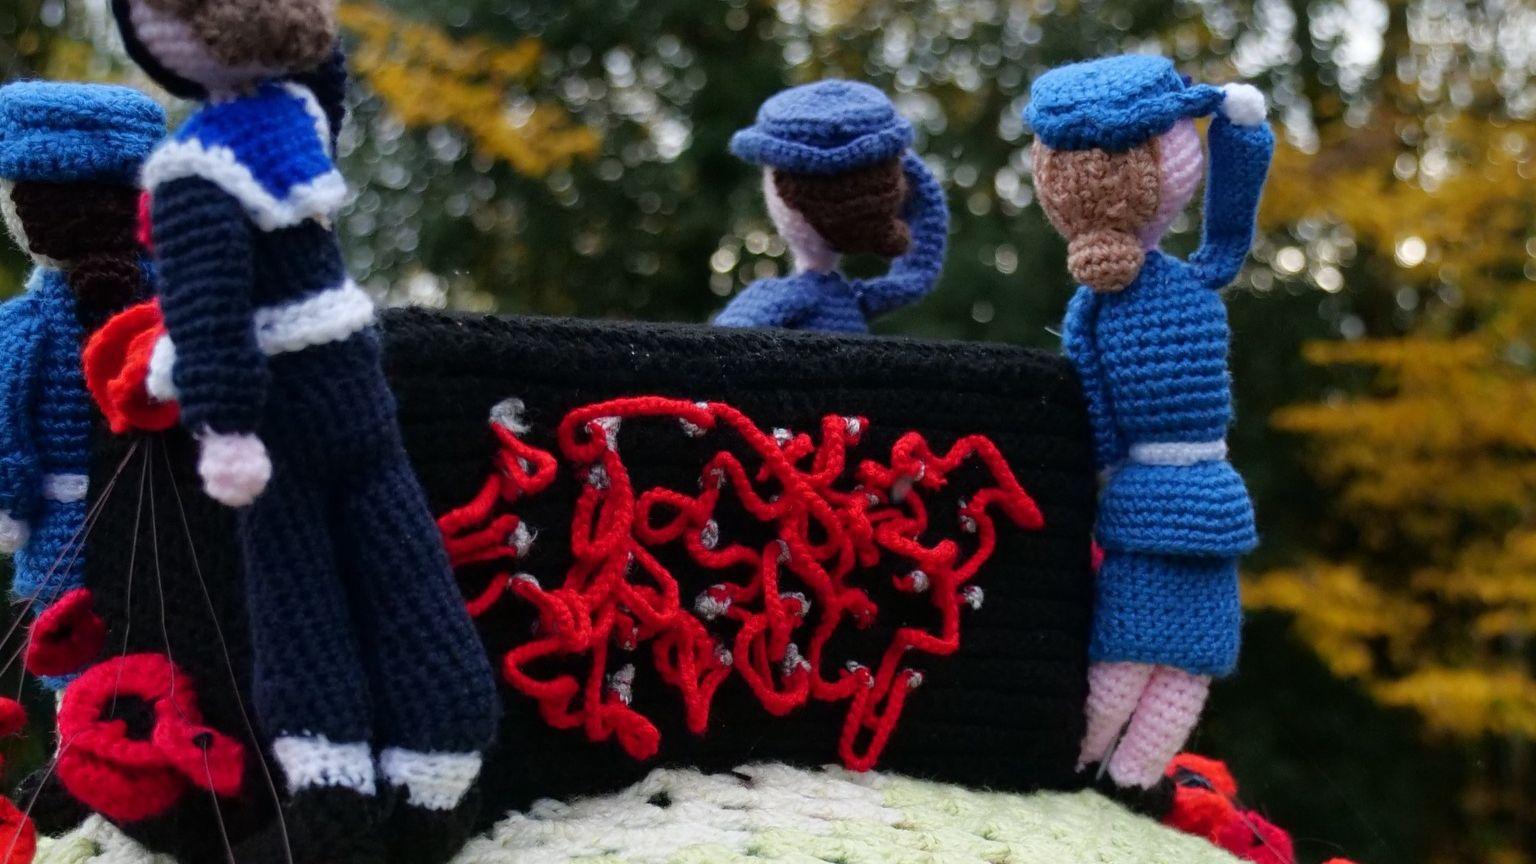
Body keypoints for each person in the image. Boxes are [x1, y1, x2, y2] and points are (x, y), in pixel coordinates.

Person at [109, 2, 500, 860]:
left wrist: (225, 428)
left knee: (299, 610)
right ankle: (438, 776)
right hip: (356, 394)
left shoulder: (193, 168)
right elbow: (328, 69)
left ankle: (334, 804)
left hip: (282, 419)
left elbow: (211, 314)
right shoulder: (299, 118)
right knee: (410, 582)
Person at [1025, 55, 1275, 789]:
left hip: (1141, 499)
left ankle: (1081, 762)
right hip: (1210, 492)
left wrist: (1096, 486)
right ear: (1169, 167)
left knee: (1127, 650)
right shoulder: (1195, 280)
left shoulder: (1090, 312)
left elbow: (1095, 422)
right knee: (1186, 657)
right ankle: (1129, 779)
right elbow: (1232, 222)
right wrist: (1240, 126)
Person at [0, 81, 165, 687]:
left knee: (79, 671)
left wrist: (10, 505)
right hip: (177, 519)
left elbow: (7, 434)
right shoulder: (184, 309)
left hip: (66, 531)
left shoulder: (25, 327)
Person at [716, 80, 949, 332]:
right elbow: (916, 275)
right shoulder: (852, 303)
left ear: (785, 199)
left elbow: (716, 352)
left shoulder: (780, 298)